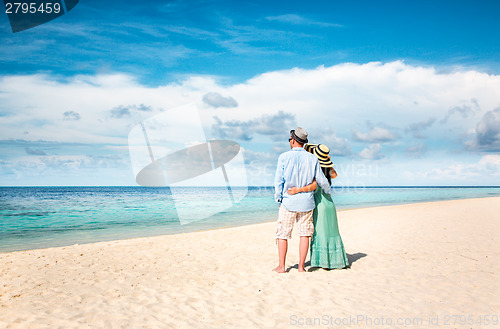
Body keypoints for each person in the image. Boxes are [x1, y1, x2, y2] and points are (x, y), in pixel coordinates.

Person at [273, 128, 330, 273]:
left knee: (283, 234)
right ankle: (301, 267)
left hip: (288, 202)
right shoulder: (312, 158)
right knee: (305, 233)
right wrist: (328, 191)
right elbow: (321, 179)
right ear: (303, 142)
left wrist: (278, 197)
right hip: (307, 202)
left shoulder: (284, 157)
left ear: (292, 140)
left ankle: (281, 266)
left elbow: (279, 180)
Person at [288, 144, 349, 269]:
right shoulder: (327, 171)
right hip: (329, 203)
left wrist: (297, 190)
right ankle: (335, 261)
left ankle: (324, 263)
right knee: (331, 231)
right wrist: (328, 163)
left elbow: (313, 185)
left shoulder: (315, 171)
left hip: (319, 204)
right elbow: (335, 175)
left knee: (320, 232)